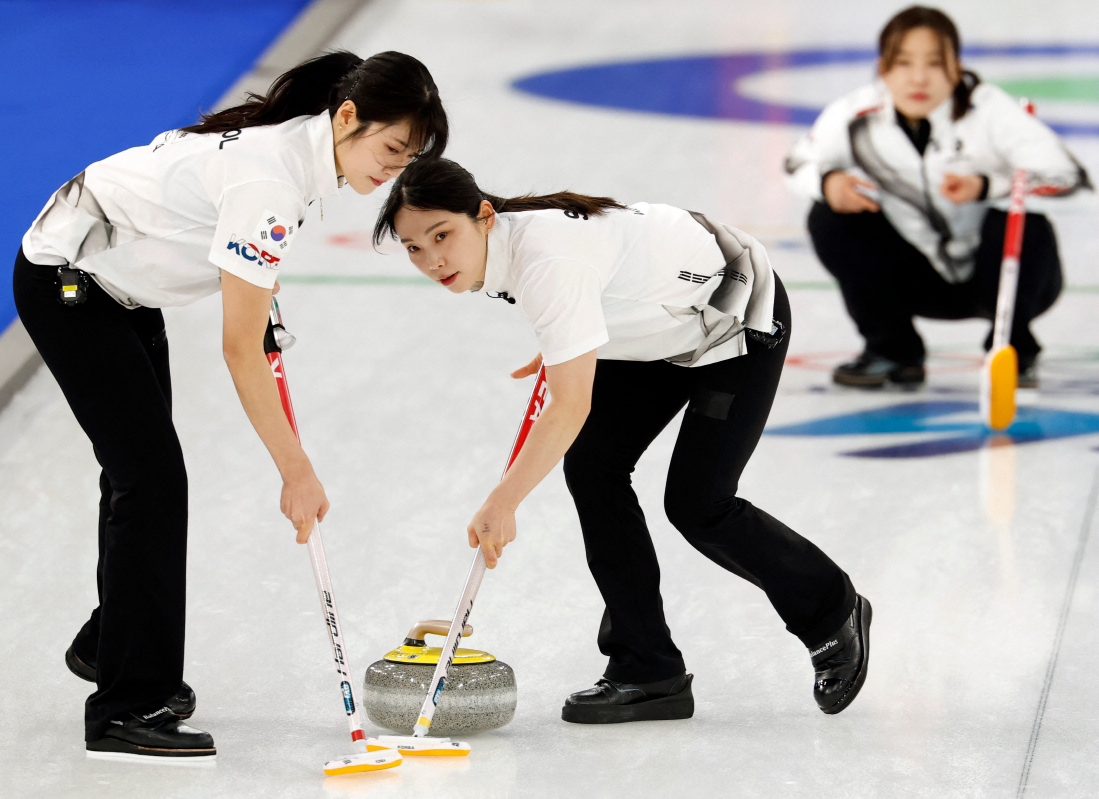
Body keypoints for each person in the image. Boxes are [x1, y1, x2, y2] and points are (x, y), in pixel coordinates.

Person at [14, 50, 447, 761]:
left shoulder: (295, 158)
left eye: (409, 158)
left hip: (122, 288)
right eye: (391, 148)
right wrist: (295, 469)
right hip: (71, 283)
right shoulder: (271, 178)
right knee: (148, 479)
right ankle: (128, 702)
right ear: (346, 118)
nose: (392, 170)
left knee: (140, 474)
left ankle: (114, 646)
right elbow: (240, 350)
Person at [375, 158, 870, 723]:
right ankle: (647, 668)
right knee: (593, 466)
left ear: (484, 217)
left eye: (443, 235)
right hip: (659, 325)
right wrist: (571, 338)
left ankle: (833, 611)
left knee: (698, 503)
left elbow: (569, 404)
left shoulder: (545, 258)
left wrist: (503, 501)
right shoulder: (516, 246)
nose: (434, 259)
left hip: (735, 317)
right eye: (414, 247)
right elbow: (600, 279)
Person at [784, 5, 1090, 388]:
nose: (918, 78)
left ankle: (1014, 347)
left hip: (1000, 279)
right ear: (883, 68)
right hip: (915, 278)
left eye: (934, 62)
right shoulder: (857, 116)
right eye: (903, 63)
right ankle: (893, 350)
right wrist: (827, 183)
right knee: (829, 216)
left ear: (956, 66)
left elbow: (1071, 178)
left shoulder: (991, 110)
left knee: (1021, 220)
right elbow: (796, 163)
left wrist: (987, 186)